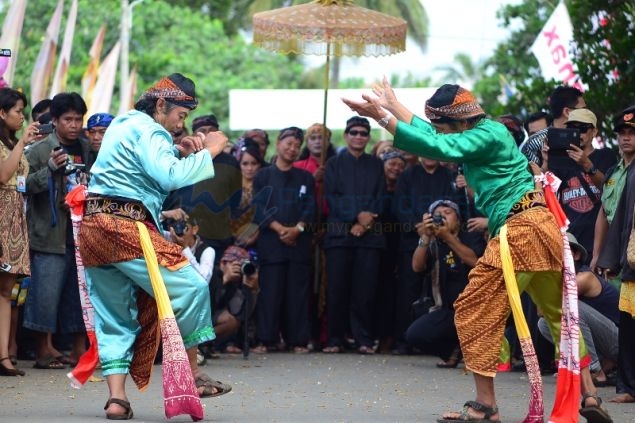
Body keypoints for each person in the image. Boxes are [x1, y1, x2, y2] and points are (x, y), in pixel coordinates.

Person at [342, 79, 612, 423]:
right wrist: (392, 107)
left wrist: (383, 116)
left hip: (520, 230)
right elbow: (436, 137)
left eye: (444, 126)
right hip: (537, 227)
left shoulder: (489, 134)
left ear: (459, 122)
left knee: (473, 305)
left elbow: (439, 145)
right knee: (558, 315)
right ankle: (588, 394)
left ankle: (485, 405)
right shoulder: (482, 133)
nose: (443, 132)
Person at [77, 73, 231, 419]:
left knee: (113, 316)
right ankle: (193, 372)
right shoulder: (151, 129)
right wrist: (211, 152)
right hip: (125, 226)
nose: (182, 122)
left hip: (93, 227)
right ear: (161, 104)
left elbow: (138, 170)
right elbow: (169, 177)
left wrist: (177, 151)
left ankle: (117, 400)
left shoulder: (123, 124)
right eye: (181, 114)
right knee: (191, 286)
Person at [24, 92, 91, 371]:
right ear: (55, 121)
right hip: (49, 233)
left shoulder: (87, 149)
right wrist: (49, 171)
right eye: (68, 119)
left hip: (81, 233)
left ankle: (78, 350)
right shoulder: (40, 150)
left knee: (78, 294)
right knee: (46, 293)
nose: (74, 125)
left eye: (78, 119)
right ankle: (43, 350)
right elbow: (24, 186)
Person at [322, 116, 385, 354]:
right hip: (340, 236)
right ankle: (335, 339)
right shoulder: (333, 164)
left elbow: (380, 197)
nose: (359, 136)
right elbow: (332, 197)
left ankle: (363, 340)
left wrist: (365, 222)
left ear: (368, 137)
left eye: (363, 133)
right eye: (354, 132)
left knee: (365, 291)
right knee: (337, 289)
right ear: (346, 135)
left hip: (370, 237)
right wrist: (357, 217)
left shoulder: (376, 164)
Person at [252, 127, 315, 353]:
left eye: (297, 146)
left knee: (297, 294)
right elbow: (259, 207)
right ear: (278, 144)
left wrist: (297, 229)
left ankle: (297, 339)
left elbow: (310, 208)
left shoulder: (305, 177)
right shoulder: (263, 176)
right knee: (270, 292)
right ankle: (265, 339)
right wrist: (280, 229)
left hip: (299, 243)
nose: (292, 149)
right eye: (289, 144)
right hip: (272, 243)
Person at [405, 199, 485, 367]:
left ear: (458, 218)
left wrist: (449, 238)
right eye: (437, 215)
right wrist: (426, 236)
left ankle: (475, 350)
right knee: (414, 334)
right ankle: (452, 351)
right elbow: (417, 267)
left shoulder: (471, 236)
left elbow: (474, 261)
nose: (442, 217)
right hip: (447, 310)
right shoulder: (433, 241)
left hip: (477, 308)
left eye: (448, 213)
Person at [392, 156, 458, 354]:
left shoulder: (449, 176)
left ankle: (436, 341)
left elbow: (453, 207)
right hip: (414, 240)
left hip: (445, 240)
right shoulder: (407, 175)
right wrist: (418, 228)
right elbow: (400, 206)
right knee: (408, 290)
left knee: (442, 289)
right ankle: (403, 340)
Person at [538, 232, 618, 386]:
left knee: (570, 308)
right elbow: (542, 312)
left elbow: (550, 305)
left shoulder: (584, 278)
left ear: (576, 255)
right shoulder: (561, 278)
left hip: (620, 342)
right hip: (605, 345)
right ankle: (584, 366)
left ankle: (595, 371)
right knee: (544, 323)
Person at [0, 88, 41, 376]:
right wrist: (21, 145)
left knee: (6, 292)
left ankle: (3, 356)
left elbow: (21, 180)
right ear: (2, 113)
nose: (22, 118)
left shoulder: (13, 142)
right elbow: (3, 175)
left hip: (15, 218)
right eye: (18, 111)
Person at [544, 108, 617, 263]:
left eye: (582, 129)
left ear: (594, 131)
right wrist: (545, 161)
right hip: (571, 243)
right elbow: (545, 192)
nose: (578, 134)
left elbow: (610, 190)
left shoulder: (605, 155)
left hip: (600, 242)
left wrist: (587, 165)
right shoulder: (560, 160)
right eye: (572, 129)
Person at [597, 104, 635, 405]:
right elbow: (615, 216)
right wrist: (607, 257)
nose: (626, 138)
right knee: (629, 326)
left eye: (632, 133)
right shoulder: (619, 173)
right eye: (622, 133)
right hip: (631, 262)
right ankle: (628, 387)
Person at [209, 246, 259, 346]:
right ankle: (195, 342)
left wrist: (252, 290)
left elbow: (241, 316)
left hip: (212, 318)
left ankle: (206, 344)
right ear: (223, 263)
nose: (238, 269)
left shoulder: (236, 281)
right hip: (199, 317)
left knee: (231, 321)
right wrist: (224, 280)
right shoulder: (211, 273)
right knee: (227, 319)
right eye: (234, 264)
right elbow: (207, 304)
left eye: (241, 266)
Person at [230, 137, 263, 247]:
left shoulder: (265, 186)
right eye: (245, 164)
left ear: (259, 164)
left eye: (254, 163)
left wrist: (255, 235)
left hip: (259, 239)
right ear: (239, 164)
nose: (250, 168)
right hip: (230, 239)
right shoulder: (231, 186)